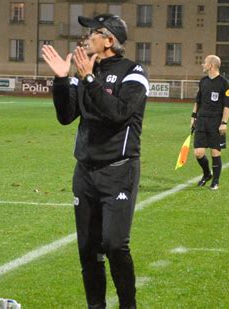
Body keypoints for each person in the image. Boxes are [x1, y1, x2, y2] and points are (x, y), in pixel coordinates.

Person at [41, 14, 149, 308]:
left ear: (109, 40)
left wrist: (88, 78)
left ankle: (128, 305)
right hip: (85, 174)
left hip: (118, 172)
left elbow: (118, 112)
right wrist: (63, 80)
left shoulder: (134, 73)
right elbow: (66, 116)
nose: (86, 36)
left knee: (115, 245)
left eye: (93, 32)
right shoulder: (85, 71)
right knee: (88, 249)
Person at [190, 55, 229, 190]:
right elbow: (198, 101)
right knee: (198, 152)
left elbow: (227, 106)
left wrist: (224, 123)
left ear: (211, 65)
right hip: (202, 120)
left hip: (216, 122)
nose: (203, 64)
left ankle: (215, 181)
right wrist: (193, 116)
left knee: (215, 152)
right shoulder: (203, 81)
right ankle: (207, 174)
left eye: (205, 63)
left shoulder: (225, 84)